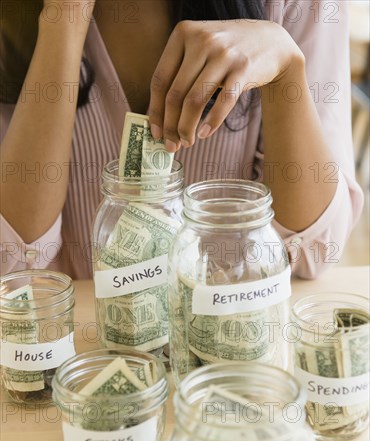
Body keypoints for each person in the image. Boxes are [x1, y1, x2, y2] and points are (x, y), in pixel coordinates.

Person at [0, 0, 364, 279]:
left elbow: (313, 252)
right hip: (82, 355)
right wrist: (62, 19)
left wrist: (286, 70)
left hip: (236, 358)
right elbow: (13, 266)